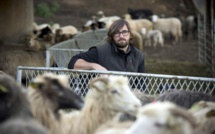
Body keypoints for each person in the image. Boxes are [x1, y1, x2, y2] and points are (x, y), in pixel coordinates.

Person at [68, 19, 145, 73]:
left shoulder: (138, 56)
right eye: (117, 33)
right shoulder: (100, 52)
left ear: (130, 34)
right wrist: (94, 66)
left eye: (124, 32)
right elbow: (73, 63)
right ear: (111, 36)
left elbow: (142, 84)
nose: (121, 36)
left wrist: (136, 92)